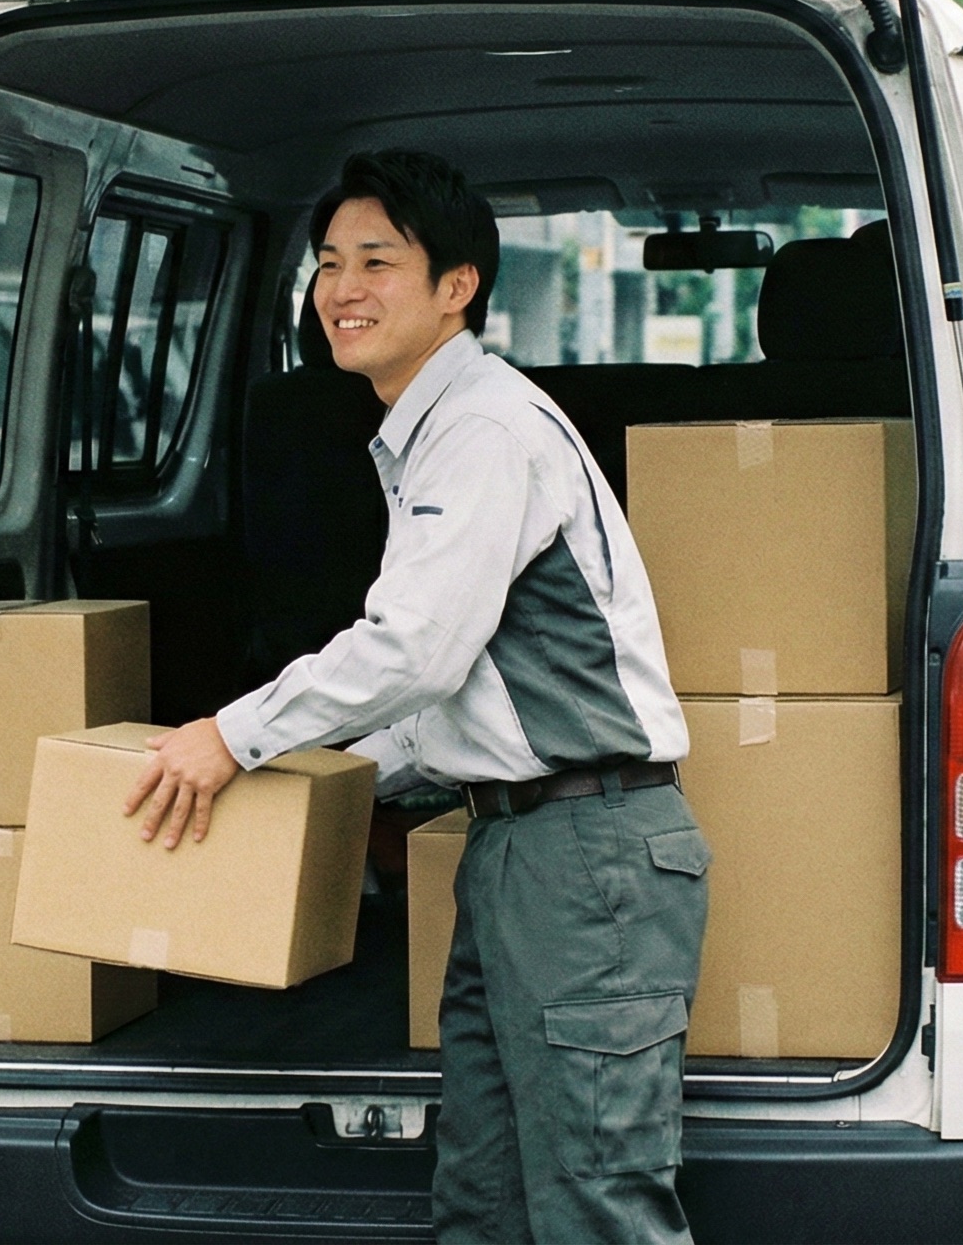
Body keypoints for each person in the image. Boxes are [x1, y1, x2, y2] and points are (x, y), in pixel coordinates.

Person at [127, 149, 710, 1244]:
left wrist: (233, 738)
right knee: (481, 1201)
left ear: (457, 286)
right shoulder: (430, 433)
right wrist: (322, 783)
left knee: (595, 1207)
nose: (340, 289)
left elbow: (417, 650)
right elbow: (456, 694)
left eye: (376, 262)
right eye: (327, 263)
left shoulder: (482, 429)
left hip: (585, 861)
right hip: (516, 848)